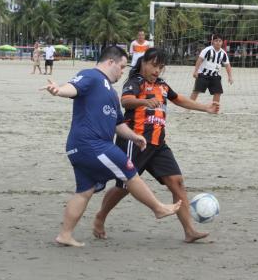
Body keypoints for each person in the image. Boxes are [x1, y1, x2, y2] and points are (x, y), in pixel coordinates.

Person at [41, 46, 182, 248]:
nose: (122, 72)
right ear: (110, 62)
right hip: (92, 144)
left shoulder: (110, 92)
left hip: (81, 147)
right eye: (122, 67)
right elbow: (73, 88)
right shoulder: (92, 76)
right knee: (129, 171)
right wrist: (58, 90)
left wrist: (134, 136)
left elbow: (118, 124)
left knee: (84, 191)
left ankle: (65, 234)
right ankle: (158, 208)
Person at [93, 47, 220, 243]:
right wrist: (144, 102)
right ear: (143, 63)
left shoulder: (162, 85)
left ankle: (189, 230)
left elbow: (179, 100)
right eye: (153, 65)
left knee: (177, 182)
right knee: (124, 186)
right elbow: (125, 101)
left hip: (159, 144)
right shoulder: (135, 82)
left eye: (160, 67)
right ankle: (101, 216)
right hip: (134, 141)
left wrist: (205, 108)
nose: (156, 71)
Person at [190, 34, 233, 105]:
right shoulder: (207, 50)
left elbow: (227, 65)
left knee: (218, 92)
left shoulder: (223, 53)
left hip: (215, 76)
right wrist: (195, 71)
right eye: (216, 41)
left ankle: (214, 108)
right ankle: (189, 107)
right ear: (212, 41)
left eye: (220, 41)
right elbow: (199, 60)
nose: (218, 42)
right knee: (196, 91)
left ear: (222, 42)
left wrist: (230, 76)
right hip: (203, 75)